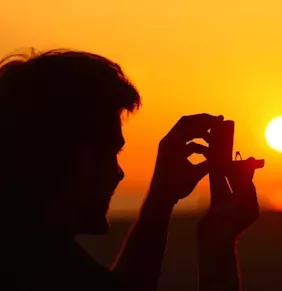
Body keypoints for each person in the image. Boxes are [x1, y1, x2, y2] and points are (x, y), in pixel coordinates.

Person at [0, 49, 259, 291]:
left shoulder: (29, 249)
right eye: (110, 153)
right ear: (66, 154)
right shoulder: (36, 265)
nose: (118, 173)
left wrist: (162, 199)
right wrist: (217, 244)